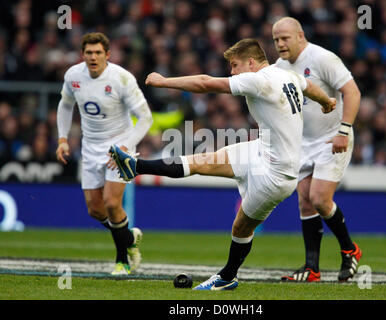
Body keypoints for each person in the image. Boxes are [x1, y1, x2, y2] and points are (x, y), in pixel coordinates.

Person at [109, 38, 336, 290]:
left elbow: (206, 83)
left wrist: (164, 81)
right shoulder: (287, 75)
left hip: (277, 174)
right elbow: (308, 86)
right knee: (200, 161)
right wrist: (326, 101)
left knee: (241, 226)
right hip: (260, 149)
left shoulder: (259, 79)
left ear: (251, 62)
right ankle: (135, 167)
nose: (232, 72)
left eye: (234, 65)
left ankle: (228, 276)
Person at [272, 17, 362, 282]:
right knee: (305, 200)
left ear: (300, 35)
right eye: (276, 39)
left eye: (284, 38)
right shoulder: (278, 68)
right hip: (303, 142)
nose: (279, 44)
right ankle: (312, 268)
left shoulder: (323, 58)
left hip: (332, 138)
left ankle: (350, 250)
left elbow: (352, 92)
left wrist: (344, 130)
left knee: (321, 198)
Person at [55, 32, 153, 275]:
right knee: (95, 210)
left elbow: (145, 118)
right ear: (82, 54)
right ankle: (129, 238)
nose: (93, 57)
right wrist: (63, 138)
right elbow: (66, 105)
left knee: (111, 203)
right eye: (88, 52)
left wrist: (123, 148)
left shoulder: (122, 78)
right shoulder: (73, 76)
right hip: (90, 148)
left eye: (98, 52)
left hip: (120, 146)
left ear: (107, 55)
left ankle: (122, 261)